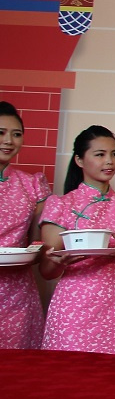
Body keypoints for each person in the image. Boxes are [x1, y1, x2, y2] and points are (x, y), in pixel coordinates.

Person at [40, 125, 115, 354]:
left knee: (111, 374)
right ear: (79, 160)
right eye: (100, 154)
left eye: (114, 154)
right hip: (72, 309)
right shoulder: (61, 204)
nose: (109, 161)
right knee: (69, 373)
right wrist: (59, 261)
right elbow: (47, 271)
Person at [0, 101, 51, 349]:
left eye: (16, 134)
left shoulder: (32, 185)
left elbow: (37, 242)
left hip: (18, 293)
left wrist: (45, 251)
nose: (9, 141)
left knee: (17, 366)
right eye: (1, 133)